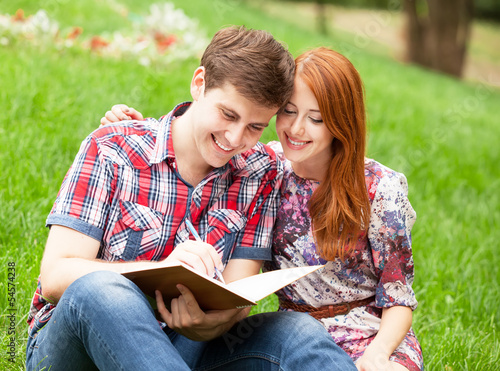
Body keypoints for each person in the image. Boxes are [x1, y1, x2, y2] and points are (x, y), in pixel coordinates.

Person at [26, 26, 357, 371]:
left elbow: (238, 295)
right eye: (228, 114)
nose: (234, 138)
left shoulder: (261, 171)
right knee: (101, 290)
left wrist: (214, 322)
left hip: (190, 349)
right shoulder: (112, 147)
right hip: (80, 350)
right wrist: (163, 271)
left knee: (297, 333)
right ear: (199, 83)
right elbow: (55, 276)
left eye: (255, 127)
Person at [104, 47, 424, 370]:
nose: (296, 129)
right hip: (290, 337)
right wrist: (137, 126)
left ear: (340, 124)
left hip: (371, 336)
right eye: (288, 111)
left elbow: (397, 296)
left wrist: (379, 353)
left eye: (315, 119)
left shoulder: (379, 189)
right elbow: (202, 140)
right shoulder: (268, 169)